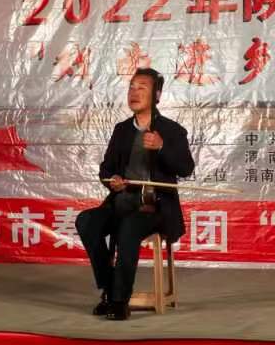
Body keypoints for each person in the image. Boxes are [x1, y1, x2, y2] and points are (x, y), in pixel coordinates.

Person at [75, 67, 194, 320]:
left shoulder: (172, 130)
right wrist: (113, 181)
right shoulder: (122, 130)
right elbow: (106, 169)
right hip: (121, 202)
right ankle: (109, 288)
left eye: (142, 87)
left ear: (157, 95)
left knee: (129, 226)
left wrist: (162, 147)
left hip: (155, 209)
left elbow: (186, 168)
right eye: (132, 87)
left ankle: (119, 301)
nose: (134, 92)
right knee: (86, 221)